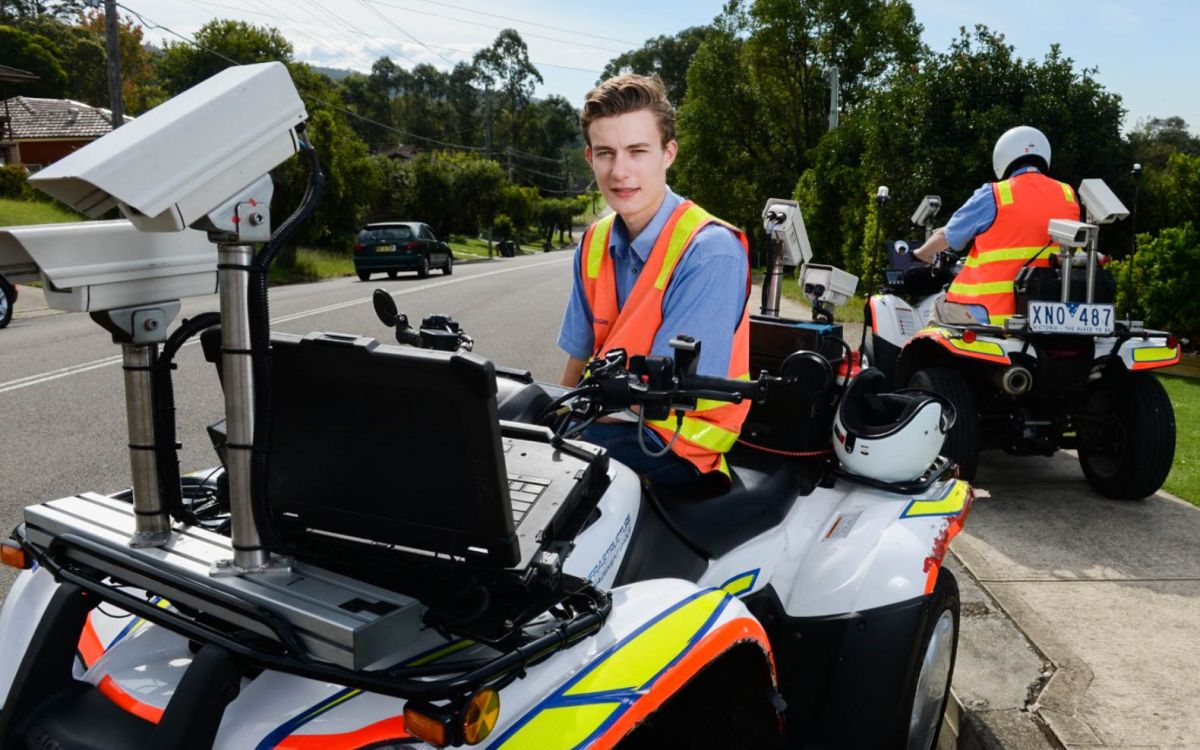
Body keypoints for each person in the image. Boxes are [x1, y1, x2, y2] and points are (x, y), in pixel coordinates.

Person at [557, 74, 751, 488]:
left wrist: (567, 424)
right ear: (589, 157)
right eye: (606, 153)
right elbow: (578, 358)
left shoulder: (709, 250)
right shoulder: (595, 239)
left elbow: (660, 400)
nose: (620, 171)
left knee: (561, 468)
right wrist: (548, 415)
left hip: (678, 444)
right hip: (610, 420)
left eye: (637, 151)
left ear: (668, 154)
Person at [912, 125, 1080, 324]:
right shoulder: (1067, 194)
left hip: (992, 313)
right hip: (1055, 314)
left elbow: (947, 235)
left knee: (939, 308)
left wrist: (920, 254)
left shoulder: (995, 194)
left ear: (1003, 157)